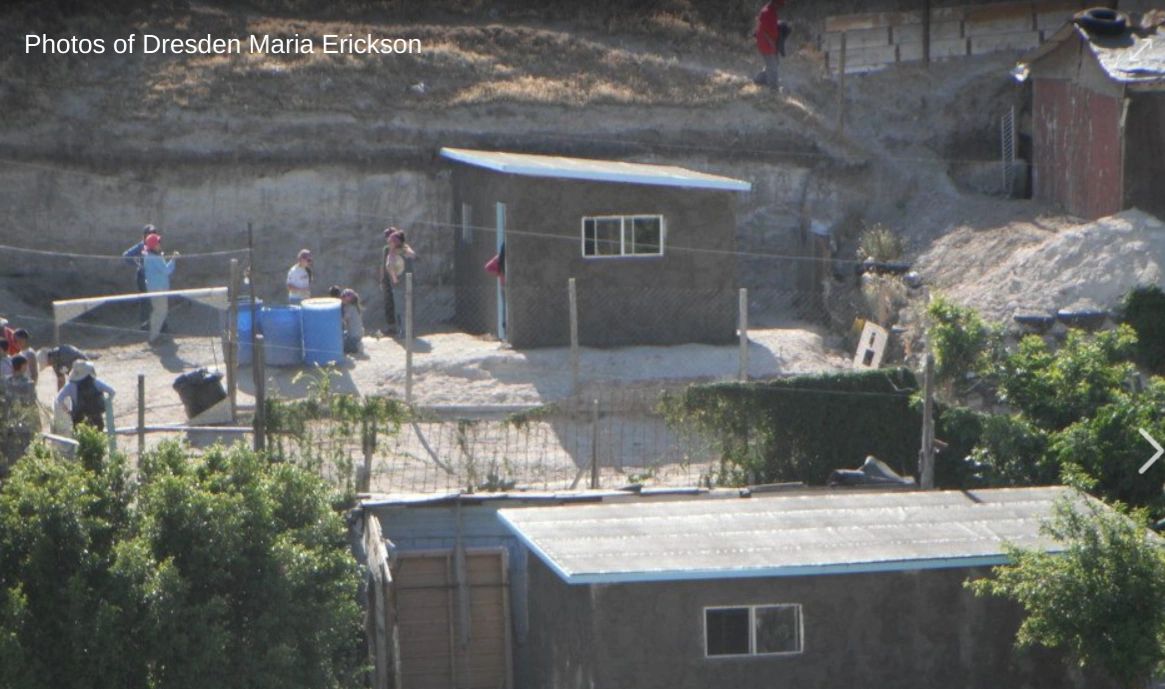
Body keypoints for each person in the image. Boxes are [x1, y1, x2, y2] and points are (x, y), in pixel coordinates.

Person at [53, 360, 114, 433]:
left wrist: (67, 410)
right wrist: (107, 403)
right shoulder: (95, 382)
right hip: (96, 418)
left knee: (81, 440)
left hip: (79, 419)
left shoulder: (71, 385)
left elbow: (59, 399)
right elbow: (112, 392)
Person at [379, 228, 416, 335]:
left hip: (403, 282)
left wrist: (394, 278)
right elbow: (386, 266)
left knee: (404, 307)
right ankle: (400, 329)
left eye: (391, 239)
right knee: (397, 307)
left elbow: (412, 255)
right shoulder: (388, 250)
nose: (388, 241)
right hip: (395, 282)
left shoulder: (404, 249)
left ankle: (406, 330)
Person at [142, 232, 178, 341]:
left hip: (155, 287)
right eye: (158, 243)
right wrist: (173, 259)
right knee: (161, 311)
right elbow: (166, 270)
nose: (160, 245)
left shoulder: (150, 256)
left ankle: (154, 335)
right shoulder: (154, 258)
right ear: (153, 245)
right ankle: (154, 336)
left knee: (157, 311)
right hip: (158, 288)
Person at [123, 225, 158, 328]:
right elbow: (126, 256)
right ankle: (145, 324)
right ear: (144, 235)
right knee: (145, 301)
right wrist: (138, 264)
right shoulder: (141, 246)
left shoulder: (156, 245)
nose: (152, 235)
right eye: (149, 233)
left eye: (153, 233)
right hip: (143, 277)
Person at [754, 0, 787, 90]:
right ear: (775, 3)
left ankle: (758, 80)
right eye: (780, 4)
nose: (780, 7)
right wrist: (775, 45)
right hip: (766, 44)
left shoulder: (769, 11)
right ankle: (773, 89)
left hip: (765, 43)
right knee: (773, 67)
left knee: (773, 64)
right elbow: (771, 32)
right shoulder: (768, 12)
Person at [484, 242, 507, 335]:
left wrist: (499, 273)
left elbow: (488, 267)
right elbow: (487, 267)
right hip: (509, 286)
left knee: (505, 308)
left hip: (504, 286)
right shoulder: (506, 258)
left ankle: (505, 328)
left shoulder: (499, 258)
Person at [340, 288, 365, 354]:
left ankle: (356, 347)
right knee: (344, 334)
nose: (342, 299)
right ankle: (356, 344)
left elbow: (342, 320)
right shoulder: (356, 307)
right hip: (358, 335)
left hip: (353, 337)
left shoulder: (349, 308)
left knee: (341, 347)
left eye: (343, 297)